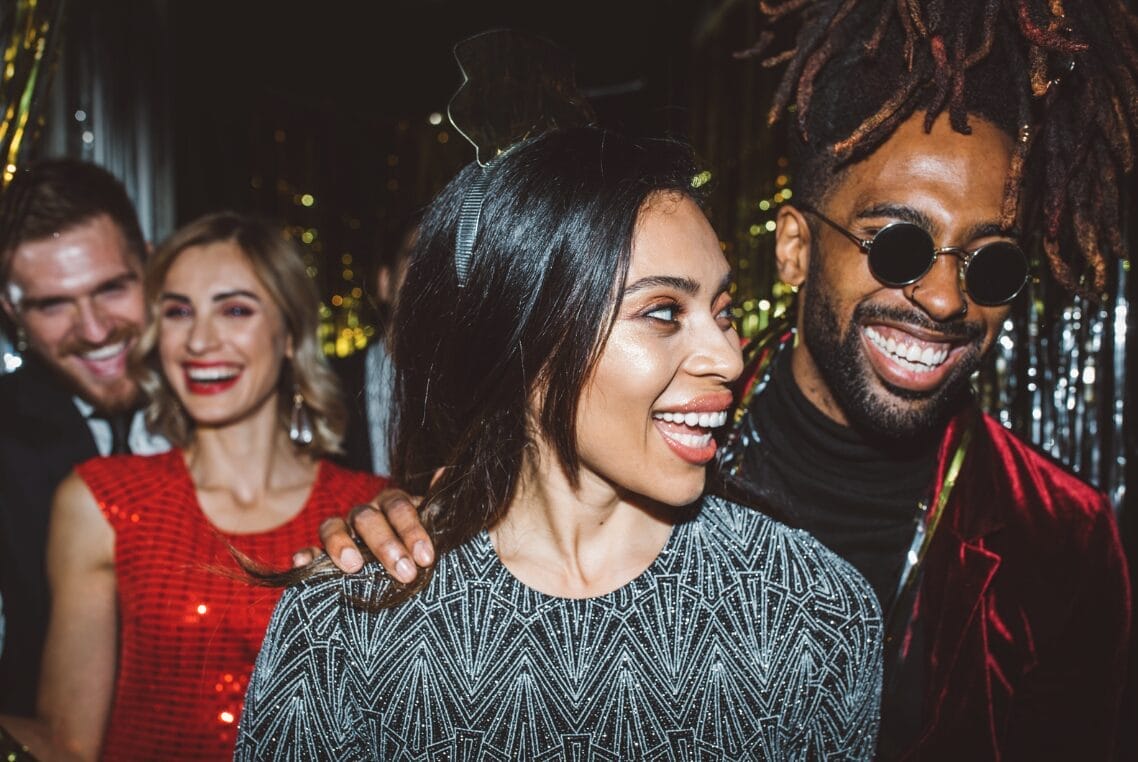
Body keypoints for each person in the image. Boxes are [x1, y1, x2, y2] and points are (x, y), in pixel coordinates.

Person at [320, 2, 1137, 758]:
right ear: (793, 248)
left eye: (992, 263)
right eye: (898, 248)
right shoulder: (663, 427)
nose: (946, 298)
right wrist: (420, 529)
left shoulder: (1062, 538)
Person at [235, 126, 884, 760]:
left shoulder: (816, 612)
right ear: (526, 341)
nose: (728, 358)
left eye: (722, 312)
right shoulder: (346, 624)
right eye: (662, 312)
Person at [16, 213, 386, 760]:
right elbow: (68, 744)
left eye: (235, 309)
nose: (200, 340)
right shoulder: (103, 500)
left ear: (288, 335)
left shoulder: (375, 509)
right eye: (177, 312)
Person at [0, 159, 163, 714]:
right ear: (10, 310)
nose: (94, 331)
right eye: (52, 304)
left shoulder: (242, 399)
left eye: (112, 288)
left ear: (149, 262)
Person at [334, 220, 415, 476]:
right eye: (416, 256)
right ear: (384, 282)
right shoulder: (327, 384)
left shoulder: (482, 401)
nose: (432, 270)